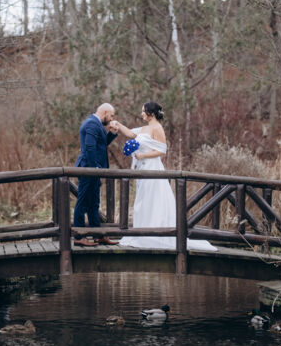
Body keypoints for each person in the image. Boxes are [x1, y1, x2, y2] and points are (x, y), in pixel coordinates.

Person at [110, 102, 217, 252]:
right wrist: (118, 124)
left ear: (151, 114)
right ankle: (142, 232)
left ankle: (155, 235)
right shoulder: (145, 128)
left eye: (143, 111)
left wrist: (142, 155)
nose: (141, 114)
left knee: (152, 199)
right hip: (142, 169)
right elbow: (130, 133)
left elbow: (162, 151)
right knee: (143, 200)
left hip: (152, 168)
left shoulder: (157, 128)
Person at [73, 103, 120, 247]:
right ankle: (79, 236)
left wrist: (112, 133)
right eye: (111, 115)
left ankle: (98, 235)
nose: (111, 118)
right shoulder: (92, 124)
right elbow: (89, 148)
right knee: (82, 203)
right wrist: (94, 169)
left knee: (93, 204)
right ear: (105, 112)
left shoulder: (96, 124)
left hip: (92, 169)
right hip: (88, 169)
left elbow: (100, 145)